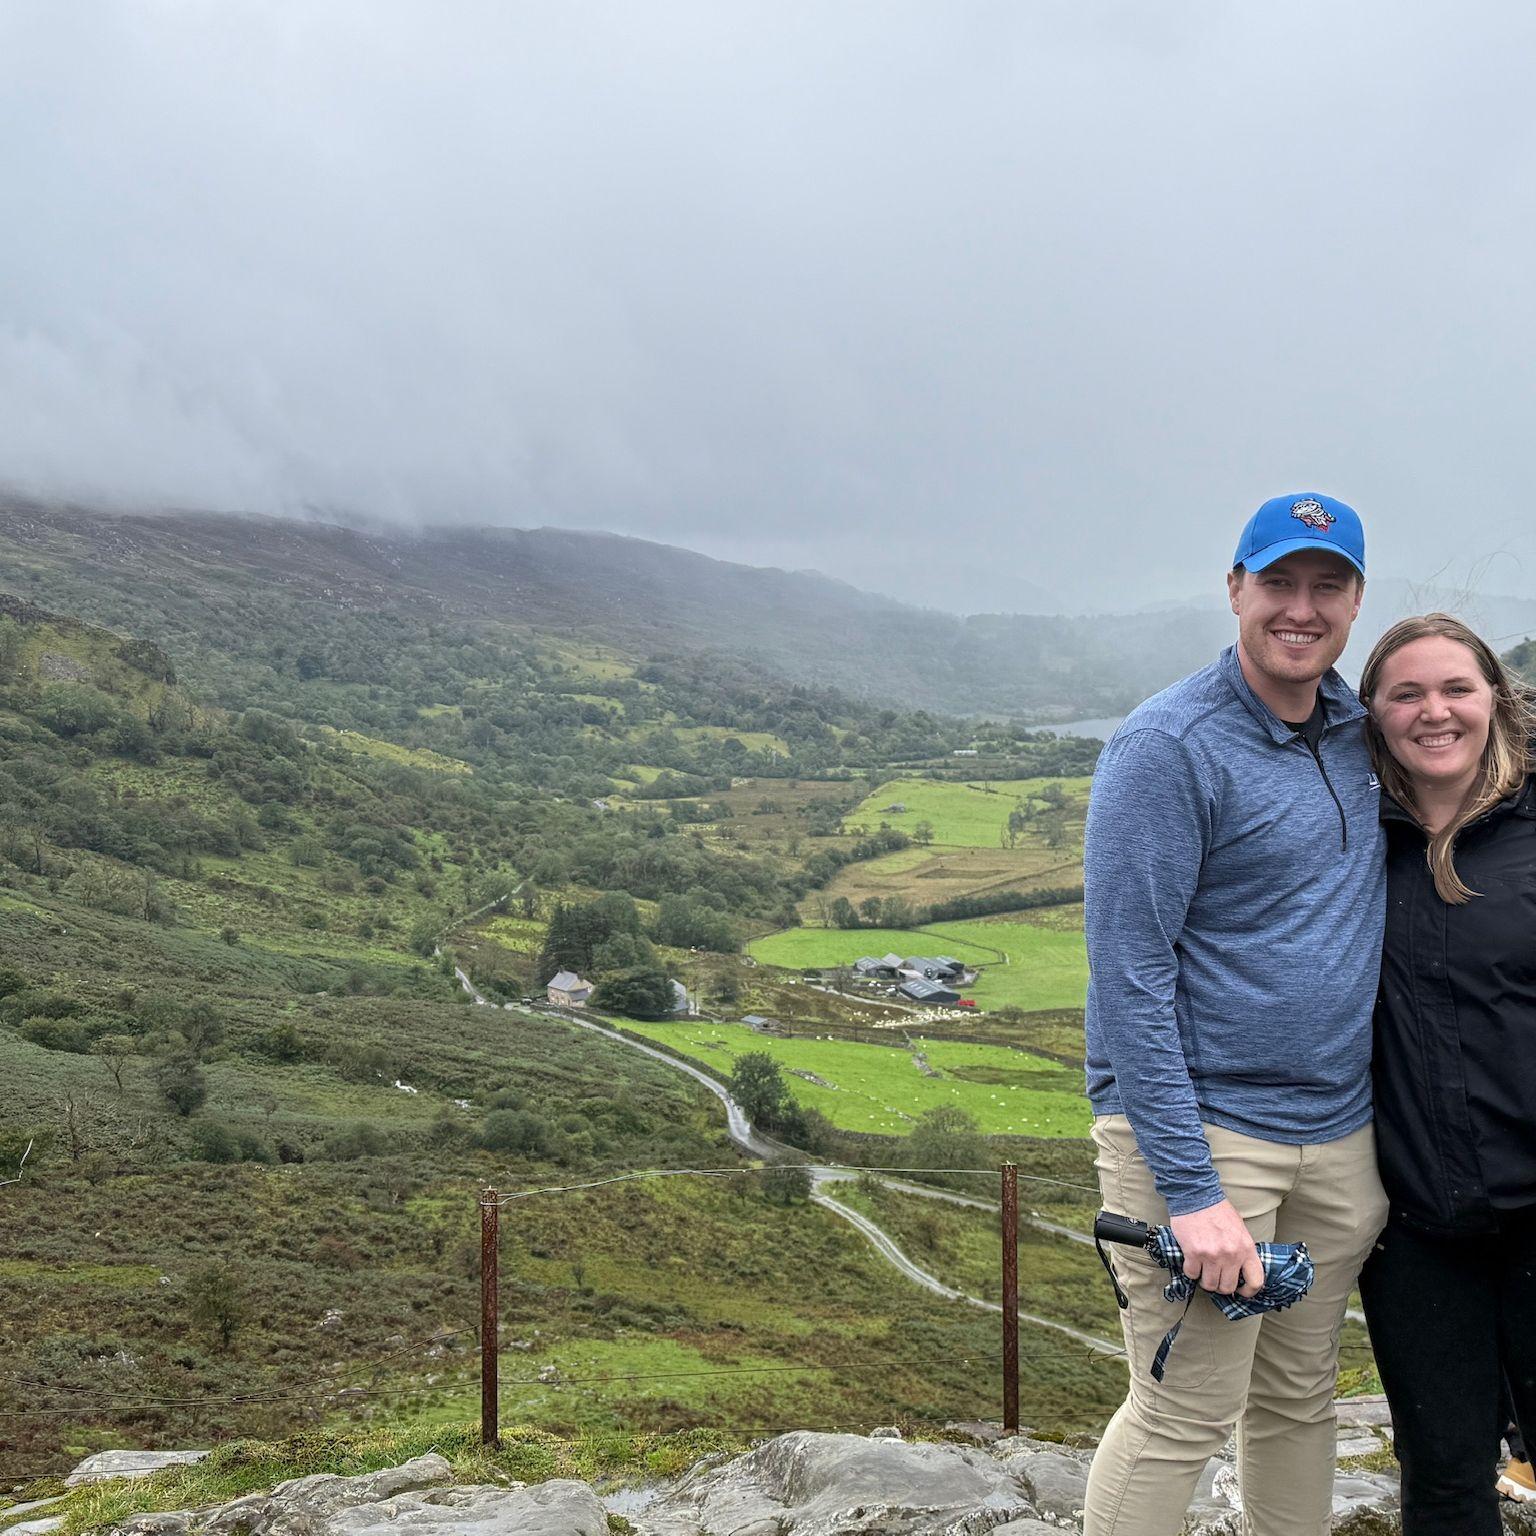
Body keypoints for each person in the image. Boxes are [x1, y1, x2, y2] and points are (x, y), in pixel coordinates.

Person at [1081, 493, 1389, 1536]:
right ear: (1234, 590)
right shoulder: (1167, 747)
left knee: (1302, 1400)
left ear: (1354, 601)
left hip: (1339, 1138)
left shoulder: (1359, 731)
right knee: (1184, 1411)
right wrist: (1190, 1188)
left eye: (1328, 585)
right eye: (1279, 583)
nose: (1301, 608)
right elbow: (1128, 977)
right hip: (1205, 1140)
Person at [1355, 613, 1536, 1535]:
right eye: (1407, 694)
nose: (1436, 712)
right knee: (1443, 1479)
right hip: (1418, 1230)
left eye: (1457, 688)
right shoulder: (1346, 840)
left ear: (1495, 700)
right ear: (1374, 716)